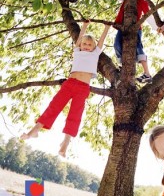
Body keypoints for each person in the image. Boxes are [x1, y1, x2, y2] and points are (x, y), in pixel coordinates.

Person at [20, 22, 110, 157]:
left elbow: (101, 41)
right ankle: (35, 130)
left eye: (89, 45)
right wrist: (84, 26)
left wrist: (107, 28)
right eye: (84, 44)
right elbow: (79, 38)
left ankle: (65, 142)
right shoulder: (77, 51)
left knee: (75, 114)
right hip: (70, 83)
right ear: (80, 44)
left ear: (93, 47)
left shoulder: (95, 54)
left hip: (83, 87)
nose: (86, 46)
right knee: (54, 106)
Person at [114, 0, 159, 84]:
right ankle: (122, 65)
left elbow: (148, 16)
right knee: (116, 44)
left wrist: (156, 28)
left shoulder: (143, 2)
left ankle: (147, 73)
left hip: (135, 29)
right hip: (122, 26)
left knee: (138, 48)